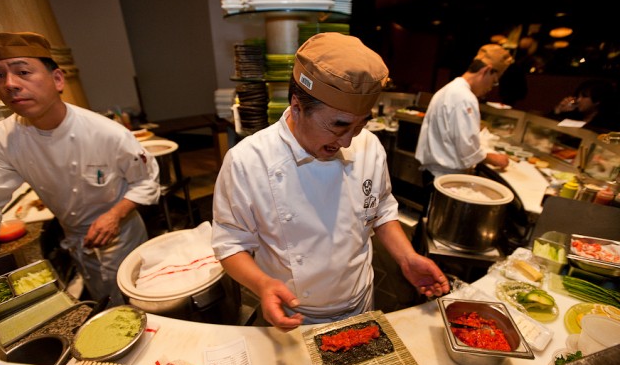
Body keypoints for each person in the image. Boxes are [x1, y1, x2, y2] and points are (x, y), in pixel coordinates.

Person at [211, 33, 449, 332]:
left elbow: (381, 210)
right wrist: (262, 284)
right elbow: (230, 243)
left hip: (361, 301)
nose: (349, 140)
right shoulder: (248, 161)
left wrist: (406, 257)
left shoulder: (370, 146)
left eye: (360, 125)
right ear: (297, 107)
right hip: (295, 315)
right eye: (339, 125)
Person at [0, 32, 160, 305]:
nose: (10, 84)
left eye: (23, 71)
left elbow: (146, 182)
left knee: (140, 301)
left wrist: (113, 215)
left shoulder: (106, 133)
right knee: (103, 301)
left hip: (123, 237)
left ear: (57, 79)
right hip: (77, 240)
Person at [415, 44, 513, 188]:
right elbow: (467, 149)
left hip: (434, 173)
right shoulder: (464, 97)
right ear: (486, 70)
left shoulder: (449, 89)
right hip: (446, 178)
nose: (490, 88)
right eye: (494, 81)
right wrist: (495, 159)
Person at [550, 79, 617, 134]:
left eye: (584, 96)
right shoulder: (573, 114)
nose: (578, 100)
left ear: (597, 101)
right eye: (578, 96)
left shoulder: (606, 124)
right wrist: (559, 109)